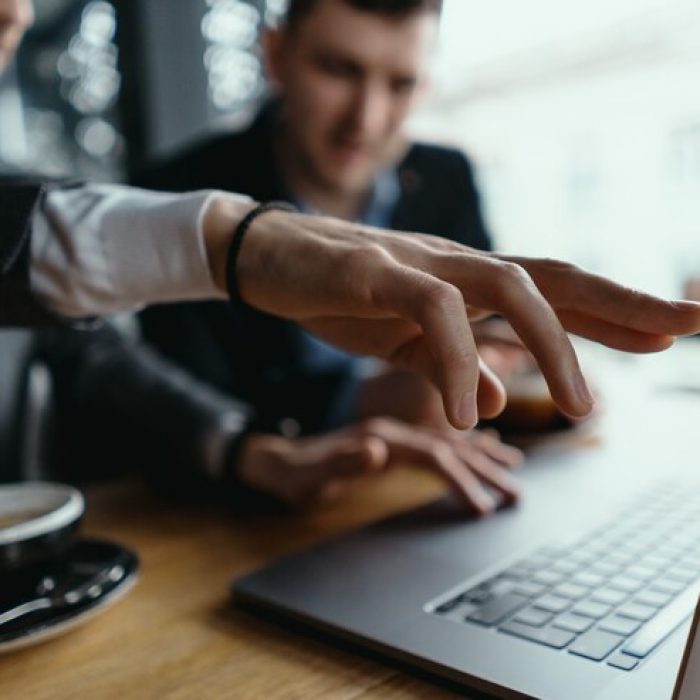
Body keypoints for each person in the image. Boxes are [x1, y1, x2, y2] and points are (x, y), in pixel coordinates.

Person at [2, 0, 700, 509]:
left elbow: (480, 351)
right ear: (275, 57)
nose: (366, 118)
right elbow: (146, 394)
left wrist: (499, 361)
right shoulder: (176, 187)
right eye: (340, 69)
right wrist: (359, 399)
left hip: (425, 493)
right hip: (252, 520)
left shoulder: (447, 175)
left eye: (400, 84)